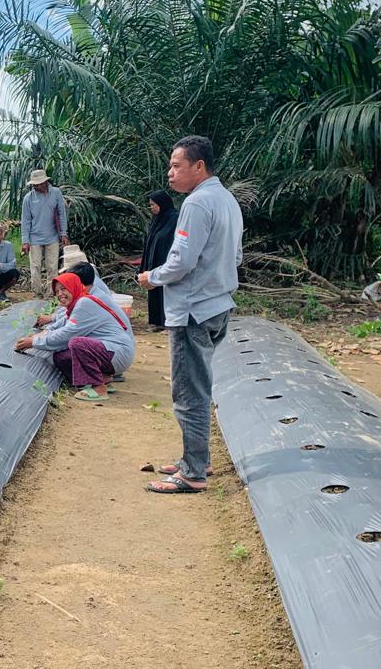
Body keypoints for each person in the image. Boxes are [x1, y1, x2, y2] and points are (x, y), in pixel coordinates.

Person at [137, 136, 243, 495]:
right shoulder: (227, 200)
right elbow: (237, 256)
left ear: (199, 167)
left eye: (176, 165)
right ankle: (196, 458)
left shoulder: (197, 204)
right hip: (218, 304)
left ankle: (193, 473)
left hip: (194, 310)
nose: (170, 173)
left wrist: (153, 277)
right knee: (199, 384)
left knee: (189, 391)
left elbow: (181, 261)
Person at [15, 273, 135, 401]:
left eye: (63, 289)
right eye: (57, 291)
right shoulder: (76, 303)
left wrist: (33, 342)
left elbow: (65, 335)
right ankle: (102, 378)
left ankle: (98, 388)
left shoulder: (85, 303)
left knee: (76, 343)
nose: (60, 294)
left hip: (118, 351)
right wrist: (38, 335)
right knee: (60, 358)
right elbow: (59, 325)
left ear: (74, 287)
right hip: (106, 351)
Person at [20, 169, 69, 298]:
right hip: (34, 237)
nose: (37, 186)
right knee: (35, 266)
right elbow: (25, 220)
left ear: (46, 182)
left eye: (39, 184)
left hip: (52, 236)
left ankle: (51, 293)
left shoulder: (56, 193)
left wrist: (63, 233)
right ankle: (37, 292)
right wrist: (25, 241)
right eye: (34, 185)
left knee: (52, 267)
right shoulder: (28, 198)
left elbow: (61, 214)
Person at [141, 190, 179, 330]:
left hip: (167, 261)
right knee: (155, 291)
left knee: (166, 291)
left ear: (162, 203)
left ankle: (167, 321)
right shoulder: (156, 220)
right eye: (150, 205)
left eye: (153, 205)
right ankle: (157, 321)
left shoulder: (175, 218)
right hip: (155, 261)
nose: (151, 208)